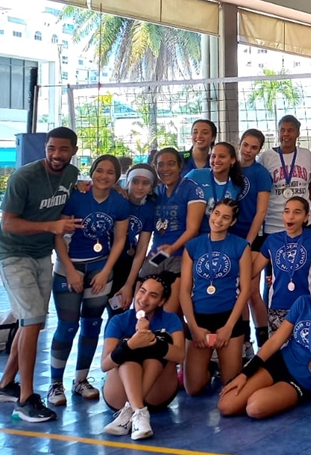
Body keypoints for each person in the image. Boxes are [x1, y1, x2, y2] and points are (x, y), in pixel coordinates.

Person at [0, 127, 81, 423]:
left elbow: (77, 190)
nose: (57, 155)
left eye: (63, 150)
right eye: (51, 148)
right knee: (30, 322)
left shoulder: (70, 175)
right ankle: (26, 399)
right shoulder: (24, 177)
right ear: (45, 147)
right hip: (14, 253)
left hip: (42, 254)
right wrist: (51, 227)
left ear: (73, 151)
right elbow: (9, 224)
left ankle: (5, 385)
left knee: (32, 322)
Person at [48, 154, 130, 406]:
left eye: (110, 173)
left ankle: (80, 380)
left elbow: (119, 239)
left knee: (92, 324)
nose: (103, 176)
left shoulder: (119, 201)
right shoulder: (77, 196)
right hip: (69, 267)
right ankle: (55, 385)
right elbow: (58, 235)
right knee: (68, 325)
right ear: (92, 172)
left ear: (117, 178)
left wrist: (106, 270)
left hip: (100, 267)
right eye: (99, 171)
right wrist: (70, 270)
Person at [217, 270, 311, 419]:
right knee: (226, 406)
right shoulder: (303, 302)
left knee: (255, 407)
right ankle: (263, 391)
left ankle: (268, 394)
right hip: (280, 362)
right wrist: (245, 373)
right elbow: (275, 341)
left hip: (302, 379)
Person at [179, 199, 254, 395]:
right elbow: (184, 290)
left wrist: (228, 327)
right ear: (210, 214)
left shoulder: (241, 246)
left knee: (229, 386)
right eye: (216, 214)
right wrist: (193, 327)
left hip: (227, 317)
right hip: (199, 318)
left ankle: (223, 365)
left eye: (226, 217)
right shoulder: (193, 246)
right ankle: (210, 367)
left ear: (233, 221)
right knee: (192, 389)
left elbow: (245, 290)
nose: (219, 220)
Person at [100, 275, 185, 440]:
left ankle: (131, 412)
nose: (144, 299)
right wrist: (131, 344)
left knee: (159, 344)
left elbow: (181, 356)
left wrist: (153, 341)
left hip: (157, 394)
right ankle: (138, 412)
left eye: (153, 295)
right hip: (118, 396)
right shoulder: (119, 320)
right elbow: (105, 365)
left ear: (161, 302)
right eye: (142, 292)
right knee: (127, 350)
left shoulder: (170, 319)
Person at [255, 196, 311, 333]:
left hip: (308, 305)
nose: (290, 217)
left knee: (307, 351)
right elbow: (253, 271)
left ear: (306, 217)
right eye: (286, 211)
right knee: (279, 352)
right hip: (278, 306)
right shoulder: (272, 240)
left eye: (297, 212)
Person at [147, 148, 206, 314]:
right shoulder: (156, 191)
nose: (165, 169)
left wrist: (172, 248)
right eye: (161, 165)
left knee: (168, 312)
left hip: (182, 254)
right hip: (158, 255)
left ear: (180, 166)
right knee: (144, 305)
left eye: (171, 164)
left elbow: (193, 230)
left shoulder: (192, 189)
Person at [234, 129, 273, 345]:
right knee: (235, 291)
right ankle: (244, 341)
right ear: (239, 144)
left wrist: (249, 240)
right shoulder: (230, 169)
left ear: (259, 150)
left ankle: (263, 340)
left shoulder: (260, 173)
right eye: (245, 145)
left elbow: (261, 211)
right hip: (229, 237)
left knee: (250, 291)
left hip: (252, 238)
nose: (248, 150)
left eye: (254, 147)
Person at [112, 163, 157, 313]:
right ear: (127, 183)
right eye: (135, 181)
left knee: (118, 311)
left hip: (125, 262)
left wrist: (129, 284)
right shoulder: (115, 197)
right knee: (92, 314)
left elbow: (142, 248)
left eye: (145, 183)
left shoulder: (149, 208)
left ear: (151, 187)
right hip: (102, 260)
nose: (139, 187)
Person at [259, 115, 311, 229]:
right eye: (282, 130)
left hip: (302, 223)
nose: (286, 134)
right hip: (274, 223)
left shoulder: (306, 154)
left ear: (298, 133)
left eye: (290, 130)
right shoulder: (266, 157)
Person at [185, 141, 245, 234]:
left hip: (221, 236)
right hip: (195, 236)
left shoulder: (236, 185)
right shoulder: (195, 175)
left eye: (222, 156)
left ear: (232, 160)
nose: (216, 160)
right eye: (213, 156)